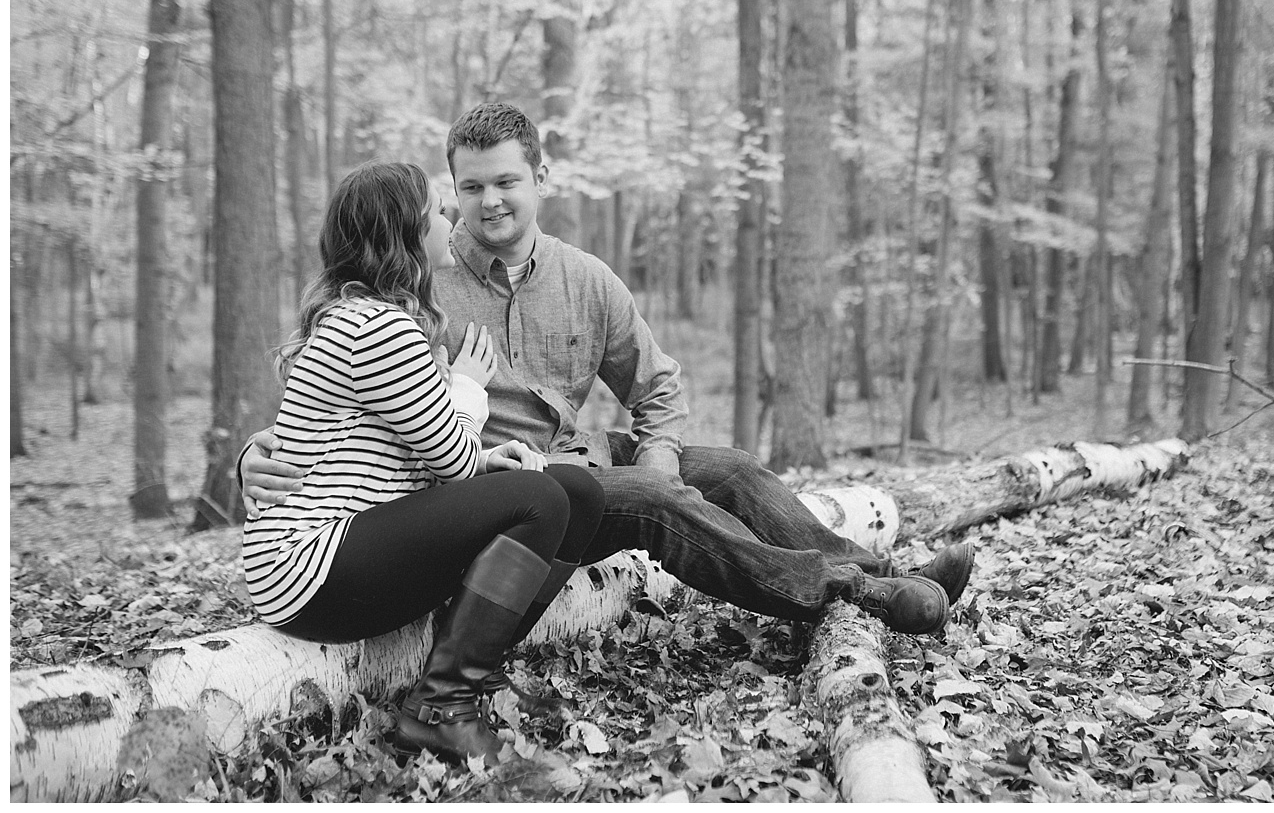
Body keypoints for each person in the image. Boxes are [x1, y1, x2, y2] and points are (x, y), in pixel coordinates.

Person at [242, 103, 974, 651]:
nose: (488, 201)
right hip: (512, 498)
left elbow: (656, 388)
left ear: (540, 177)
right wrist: (253, 455)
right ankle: (860, 594)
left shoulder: (586, 280)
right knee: (658, 497)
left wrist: (660, 461)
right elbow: (331, 399)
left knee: (737, 470)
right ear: (451, 193)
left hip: (588, 456)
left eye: (505, 181)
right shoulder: (422, 281)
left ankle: (882, 570)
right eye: (469, 188)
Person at [242, 161, 604, 767]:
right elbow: (452, 466)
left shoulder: (375, 318)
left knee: (576, 491)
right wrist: (466, 386)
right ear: (405, 234)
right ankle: (442, 707)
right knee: (541, 499)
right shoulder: (376, 326)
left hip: (351, 547)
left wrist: (492, 459)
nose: (451, 219)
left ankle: (474, 668)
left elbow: (423, 460)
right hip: (310, 570)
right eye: (437, 211)